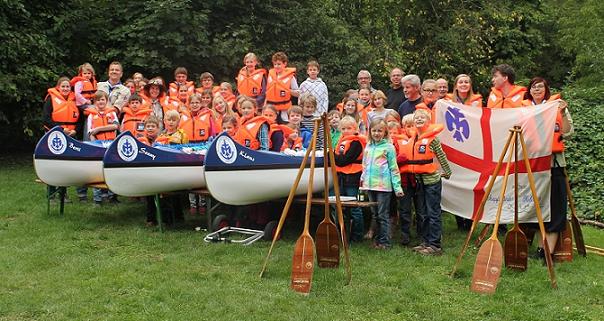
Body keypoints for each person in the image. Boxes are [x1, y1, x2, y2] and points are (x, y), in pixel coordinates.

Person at [523, 77, 573, 260]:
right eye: (534, 87)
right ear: (529, 90)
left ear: (546, 90)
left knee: (556, 207)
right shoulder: (524, 110)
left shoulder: (557, 108)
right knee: (538, 208)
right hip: (533, 165)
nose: (537, 89)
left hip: (554, 165)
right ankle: (539, 249)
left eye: (540, 87)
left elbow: (567, 132)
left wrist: (564, 111)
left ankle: (547, 252)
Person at [408, 109, 452, 255]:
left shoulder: (433, 140)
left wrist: (447, 171)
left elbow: (441, 155)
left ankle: (435, 245)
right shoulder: (413, 138)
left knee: (433, 213)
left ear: (428, 122)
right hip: (419, 181)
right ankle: (425, 242)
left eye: (422, 118)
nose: (419, 119)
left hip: (432, 181)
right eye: (417, 118)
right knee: (423, 213)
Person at [360, 118, 404, 249]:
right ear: (370, 132)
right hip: (369, 185)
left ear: (385, 132)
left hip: (383, 186)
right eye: (374, 130)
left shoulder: (389, 147)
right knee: (375, 214)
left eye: (380, 131)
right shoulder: (368, 146)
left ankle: (385, 242)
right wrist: (362, 183)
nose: (376, 133)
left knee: (383, 214)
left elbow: (393, 168)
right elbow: (365, 165)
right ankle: (378, 240)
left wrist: (397, 187)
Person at [42, 76, 80, 202]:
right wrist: (60, 129)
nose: (65, 88)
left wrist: (75, 130)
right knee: (53, 164)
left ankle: (63, 194)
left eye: (67, 86)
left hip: (70, 136)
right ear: (58, 87)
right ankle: (51, 193)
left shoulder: (74, 99)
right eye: (63, 86)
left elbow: (80, 119)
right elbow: (46, 118)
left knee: (66, 165)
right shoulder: (50, 98)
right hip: (55, 136)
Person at [334, 116, 367, 242]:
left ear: (355, 128)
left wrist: (331, 155)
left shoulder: (356, 142)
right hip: (342, 177)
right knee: (341, 207)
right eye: (343, 128)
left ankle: (357, 237)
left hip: (353, 177)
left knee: (354, 207)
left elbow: (343, 160)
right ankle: (342, 235)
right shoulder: (342, 141)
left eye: (349, 128)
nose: (346, 131)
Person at [394, 114, 423, 245]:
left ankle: (422, 234)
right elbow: (392, 160)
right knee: (405, 209)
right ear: (403, 128)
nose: (410, 128)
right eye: (408, 126)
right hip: (404, 180)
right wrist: (400, 159)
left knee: (421, 209)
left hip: (419, 179)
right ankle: (405, 236)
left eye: (413, 125)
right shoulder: (397, 141)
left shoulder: (422, 140)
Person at [86, 90, 119, 206]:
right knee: (98, 171)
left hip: (110, 143)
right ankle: (97, 198)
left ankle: (112, 196)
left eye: (103, 99)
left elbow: (115, 126)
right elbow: (90, 132)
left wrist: (99, 129)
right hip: (98, 144)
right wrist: (95, 145)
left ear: (106, 101)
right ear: (94, 102)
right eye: (98, 100)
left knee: (111, 169)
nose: (100, 102)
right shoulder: (91, 115)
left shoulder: (112, 113)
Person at [265, 51, 299, 123]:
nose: (277, 66)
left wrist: (287, 90)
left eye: (279, 64)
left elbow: (297, 93)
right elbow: (267, 92)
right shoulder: (270, 75)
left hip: (285, 109)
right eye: (275, 64)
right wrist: (264, 106)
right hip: (271, 108)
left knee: (285, 127)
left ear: (285, 64)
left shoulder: (290, 77)